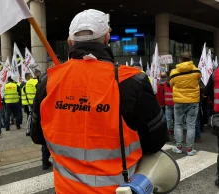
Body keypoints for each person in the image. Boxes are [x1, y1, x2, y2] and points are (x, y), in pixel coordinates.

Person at [31, 9, 167, 194]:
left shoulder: (48, 81)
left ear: (70, 42)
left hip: (65, 190)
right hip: (120, 189)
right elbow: (156, 141)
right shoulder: (133, 81)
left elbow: (37, 136)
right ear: (107, 38)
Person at [170, 52, 201, 156]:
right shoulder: (196, 71)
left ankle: (178, 147)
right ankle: (189, 149)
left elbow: (171, 84)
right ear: (190, 59)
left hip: (179, 101)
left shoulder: (174, 72)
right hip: (193, 101)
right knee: (191, 126)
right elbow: (198, 80)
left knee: (178, 124)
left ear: (180, 60)